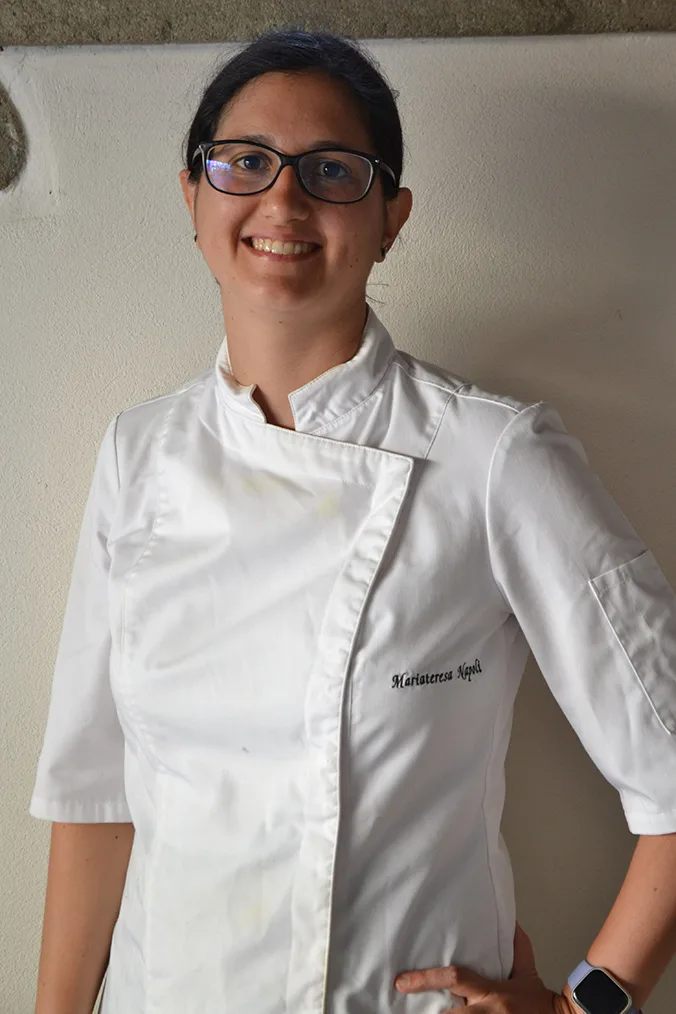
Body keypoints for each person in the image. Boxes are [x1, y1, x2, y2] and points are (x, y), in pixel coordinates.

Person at [30, 26, 676, 1014]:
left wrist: (589, 1004)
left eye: (332, 170)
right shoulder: (138, 452)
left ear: (390, 219)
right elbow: (95, 801)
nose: (282, 200)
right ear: (193, 196)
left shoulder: (492, 455)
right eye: (244, 162)